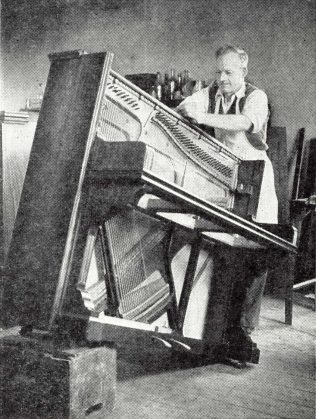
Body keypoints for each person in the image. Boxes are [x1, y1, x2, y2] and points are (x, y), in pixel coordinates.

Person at [177, 44, 278, 363]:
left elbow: (246, 123)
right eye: (218, 71)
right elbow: (184, 107)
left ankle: (241, 331)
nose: (221, 78)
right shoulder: (210, 92)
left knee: (252, 253)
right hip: (224, 176)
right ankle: (209, 328)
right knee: (218, 247)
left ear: (244, 73)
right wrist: (186, 106)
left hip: (255, 178)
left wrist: (202, 115)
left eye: (229, 72)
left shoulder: (256, 96)